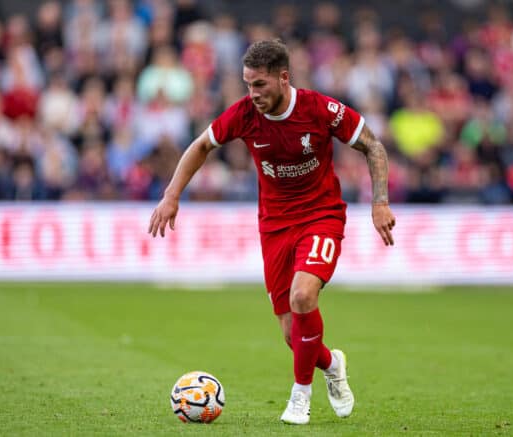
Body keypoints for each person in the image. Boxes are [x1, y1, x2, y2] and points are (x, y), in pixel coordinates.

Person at [148, 39, 396, 425]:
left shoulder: (319, 109)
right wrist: (171, 195)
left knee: (302, 296)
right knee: (291, 334)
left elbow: (373, 147)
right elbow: (201, 146)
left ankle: (300, 397)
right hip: (275, 226)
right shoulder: (245, 114)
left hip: (321, 215)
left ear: (283, 78)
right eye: (248, 84)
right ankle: (332, 365)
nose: (253, 94)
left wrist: (379, 201)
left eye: (260, 85)